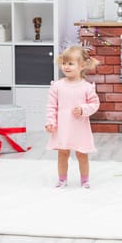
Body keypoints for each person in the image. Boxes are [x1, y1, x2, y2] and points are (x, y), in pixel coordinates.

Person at [45, 45, 100, 189]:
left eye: (70, 63)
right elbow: (51, 106)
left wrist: (83, 109)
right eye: (64, 63)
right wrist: (51, 121)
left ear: (82, 66)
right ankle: (62, 179)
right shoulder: (57, 86)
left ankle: (85, 180)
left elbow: (95, 104)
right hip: (63, 127)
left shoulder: (87, 87)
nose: (66, 67)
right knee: (63, 154)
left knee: (82, 154)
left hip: (79, 127)